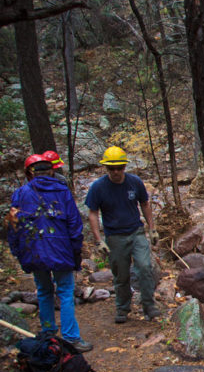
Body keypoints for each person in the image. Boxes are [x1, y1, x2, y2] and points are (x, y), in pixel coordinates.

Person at [7, 156, 92, 352]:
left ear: (30, 173)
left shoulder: (21, 194)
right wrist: (76, 250)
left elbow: (13, 227)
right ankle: (71, 338)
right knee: (65, 293)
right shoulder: (62, 192)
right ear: (52, 171)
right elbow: (74, 224)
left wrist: (18, 253)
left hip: (34, 253)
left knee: (44, 292)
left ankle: (47, 335)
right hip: (61, 252)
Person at [85, 146, 161, 323]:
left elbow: (145, 204)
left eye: (119, 168)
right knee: (121, 274)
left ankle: (149, 305)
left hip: (136, 232)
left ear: (124, 167)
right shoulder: (98, 187)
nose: (116, 172)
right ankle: (122, 308)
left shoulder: (134, 182)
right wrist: (98, 240)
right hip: (115, 237)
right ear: (106, 168)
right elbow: (93, 213)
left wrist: (152, 228)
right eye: (112, 168)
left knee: (144, 267)